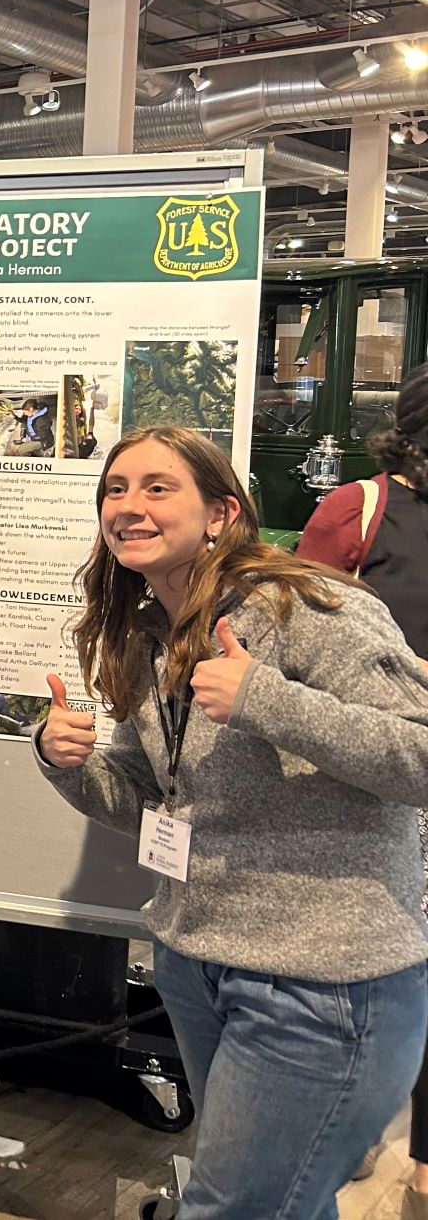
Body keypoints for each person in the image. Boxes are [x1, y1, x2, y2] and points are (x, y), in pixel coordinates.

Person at [34, 424, 428, 1219]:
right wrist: (64, 764)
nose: (128, 507)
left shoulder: (310, 607)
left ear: (220, 513)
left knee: (233, 1209)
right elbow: (152, 799)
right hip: (197, 959)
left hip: (322, 983)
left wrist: (267, 702)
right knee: (284, 1203)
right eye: (115, 489)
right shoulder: (149, 630)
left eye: (156, 487)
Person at [298, 363, 428, 1217]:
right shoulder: (359, 510)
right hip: (378, 772)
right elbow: (300, 637)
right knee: (388, 944)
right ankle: (347, 1121)